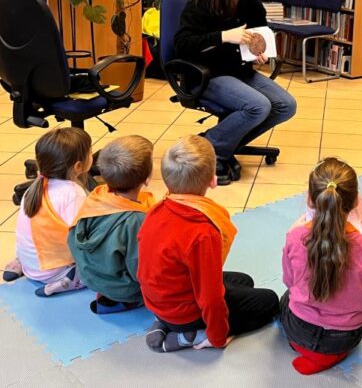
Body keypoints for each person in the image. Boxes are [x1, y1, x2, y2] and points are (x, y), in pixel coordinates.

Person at [138, 135, 278, 353]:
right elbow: (211, 297)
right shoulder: (202, 231)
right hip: (184, 313)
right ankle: (190, 335)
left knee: (245, 280)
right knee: (269, 301)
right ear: (213, 180)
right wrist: (218, 336)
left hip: (160, 301)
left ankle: (163, 321)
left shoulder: (158, 208)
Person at [174, 0, 297, 185]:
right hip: (206, 73)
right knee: (258, 106)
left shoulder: (253, 6)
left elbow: (257, 39)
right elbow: (182, 44)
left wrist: (258, 54)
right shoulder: (201, 4)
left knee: (286, 105)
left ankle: (214, 144)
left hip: (238, 70)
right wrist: (223, 36)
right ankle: (215, 151)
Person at [281, 158, 362, 375]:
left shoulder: (296, 237)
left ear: (310, 200)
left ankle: (314, 354)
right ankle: (328, 356)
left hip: (299, 333)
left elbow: (289, 281)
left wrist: (291, 236)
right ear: (356, 202)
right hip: (346, 338)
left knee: (285, 298)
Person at [68, 136, 156, 314]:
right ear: (147, 178)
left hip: (89, 275)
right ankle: (124, 301)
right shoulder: (137, 220)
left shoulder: (96, 195)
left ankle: (107, 291)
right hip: (122, 288)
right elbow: (140, 269)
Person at [2, 128, 92, 297]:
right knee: (102, 270)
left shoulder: (35, 187)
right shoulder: (73, 193)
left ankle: (20, 263)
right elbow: (82, 237)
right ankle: (67, 281)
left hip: (30, 262)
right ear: (79, 166)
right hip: (52, 272)